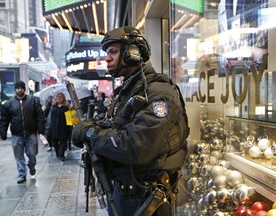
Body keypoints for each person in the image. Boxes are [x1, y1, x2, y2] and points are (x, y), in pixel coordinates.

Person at [72, 26, 190, 216]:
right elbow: (113, 125)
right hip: (123, 193)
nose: (107, 58)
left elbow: (136, 146)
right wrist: (90, 126)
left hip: (145, 199)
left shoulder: (159, 92)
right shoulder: (128, 92)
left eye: (113, 51)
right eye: (107, 53)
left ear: (133, 53)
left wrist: (90, 134)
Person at [0, 81, 45, 184]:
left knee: (32, 154)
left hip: (31, 133)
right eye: (18, 88)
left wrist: (41, 129)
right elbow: (4, 119)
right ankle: (22, 174)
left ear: (25, 89)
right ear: (15, 89)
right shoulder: (9, 103)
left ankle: (31, 166)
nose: (20, 90)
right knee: (18, 156)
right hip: (16, 134)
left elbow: (40, 116)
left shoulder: (33, 101)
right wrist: (3, 132)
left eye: (21, 88)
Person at [50, 92, 69, 161]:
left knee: (62, 141)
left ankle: (61, 155)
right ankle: (58, 153)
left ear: (63, 99)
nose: (59, 98)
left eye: (61, 97)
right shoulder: (53, 106)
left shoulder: (66, 107)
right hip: (54, 127)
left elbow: (69, 118)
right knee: (55, 141)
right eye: (57, 96)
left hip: (63, 126)